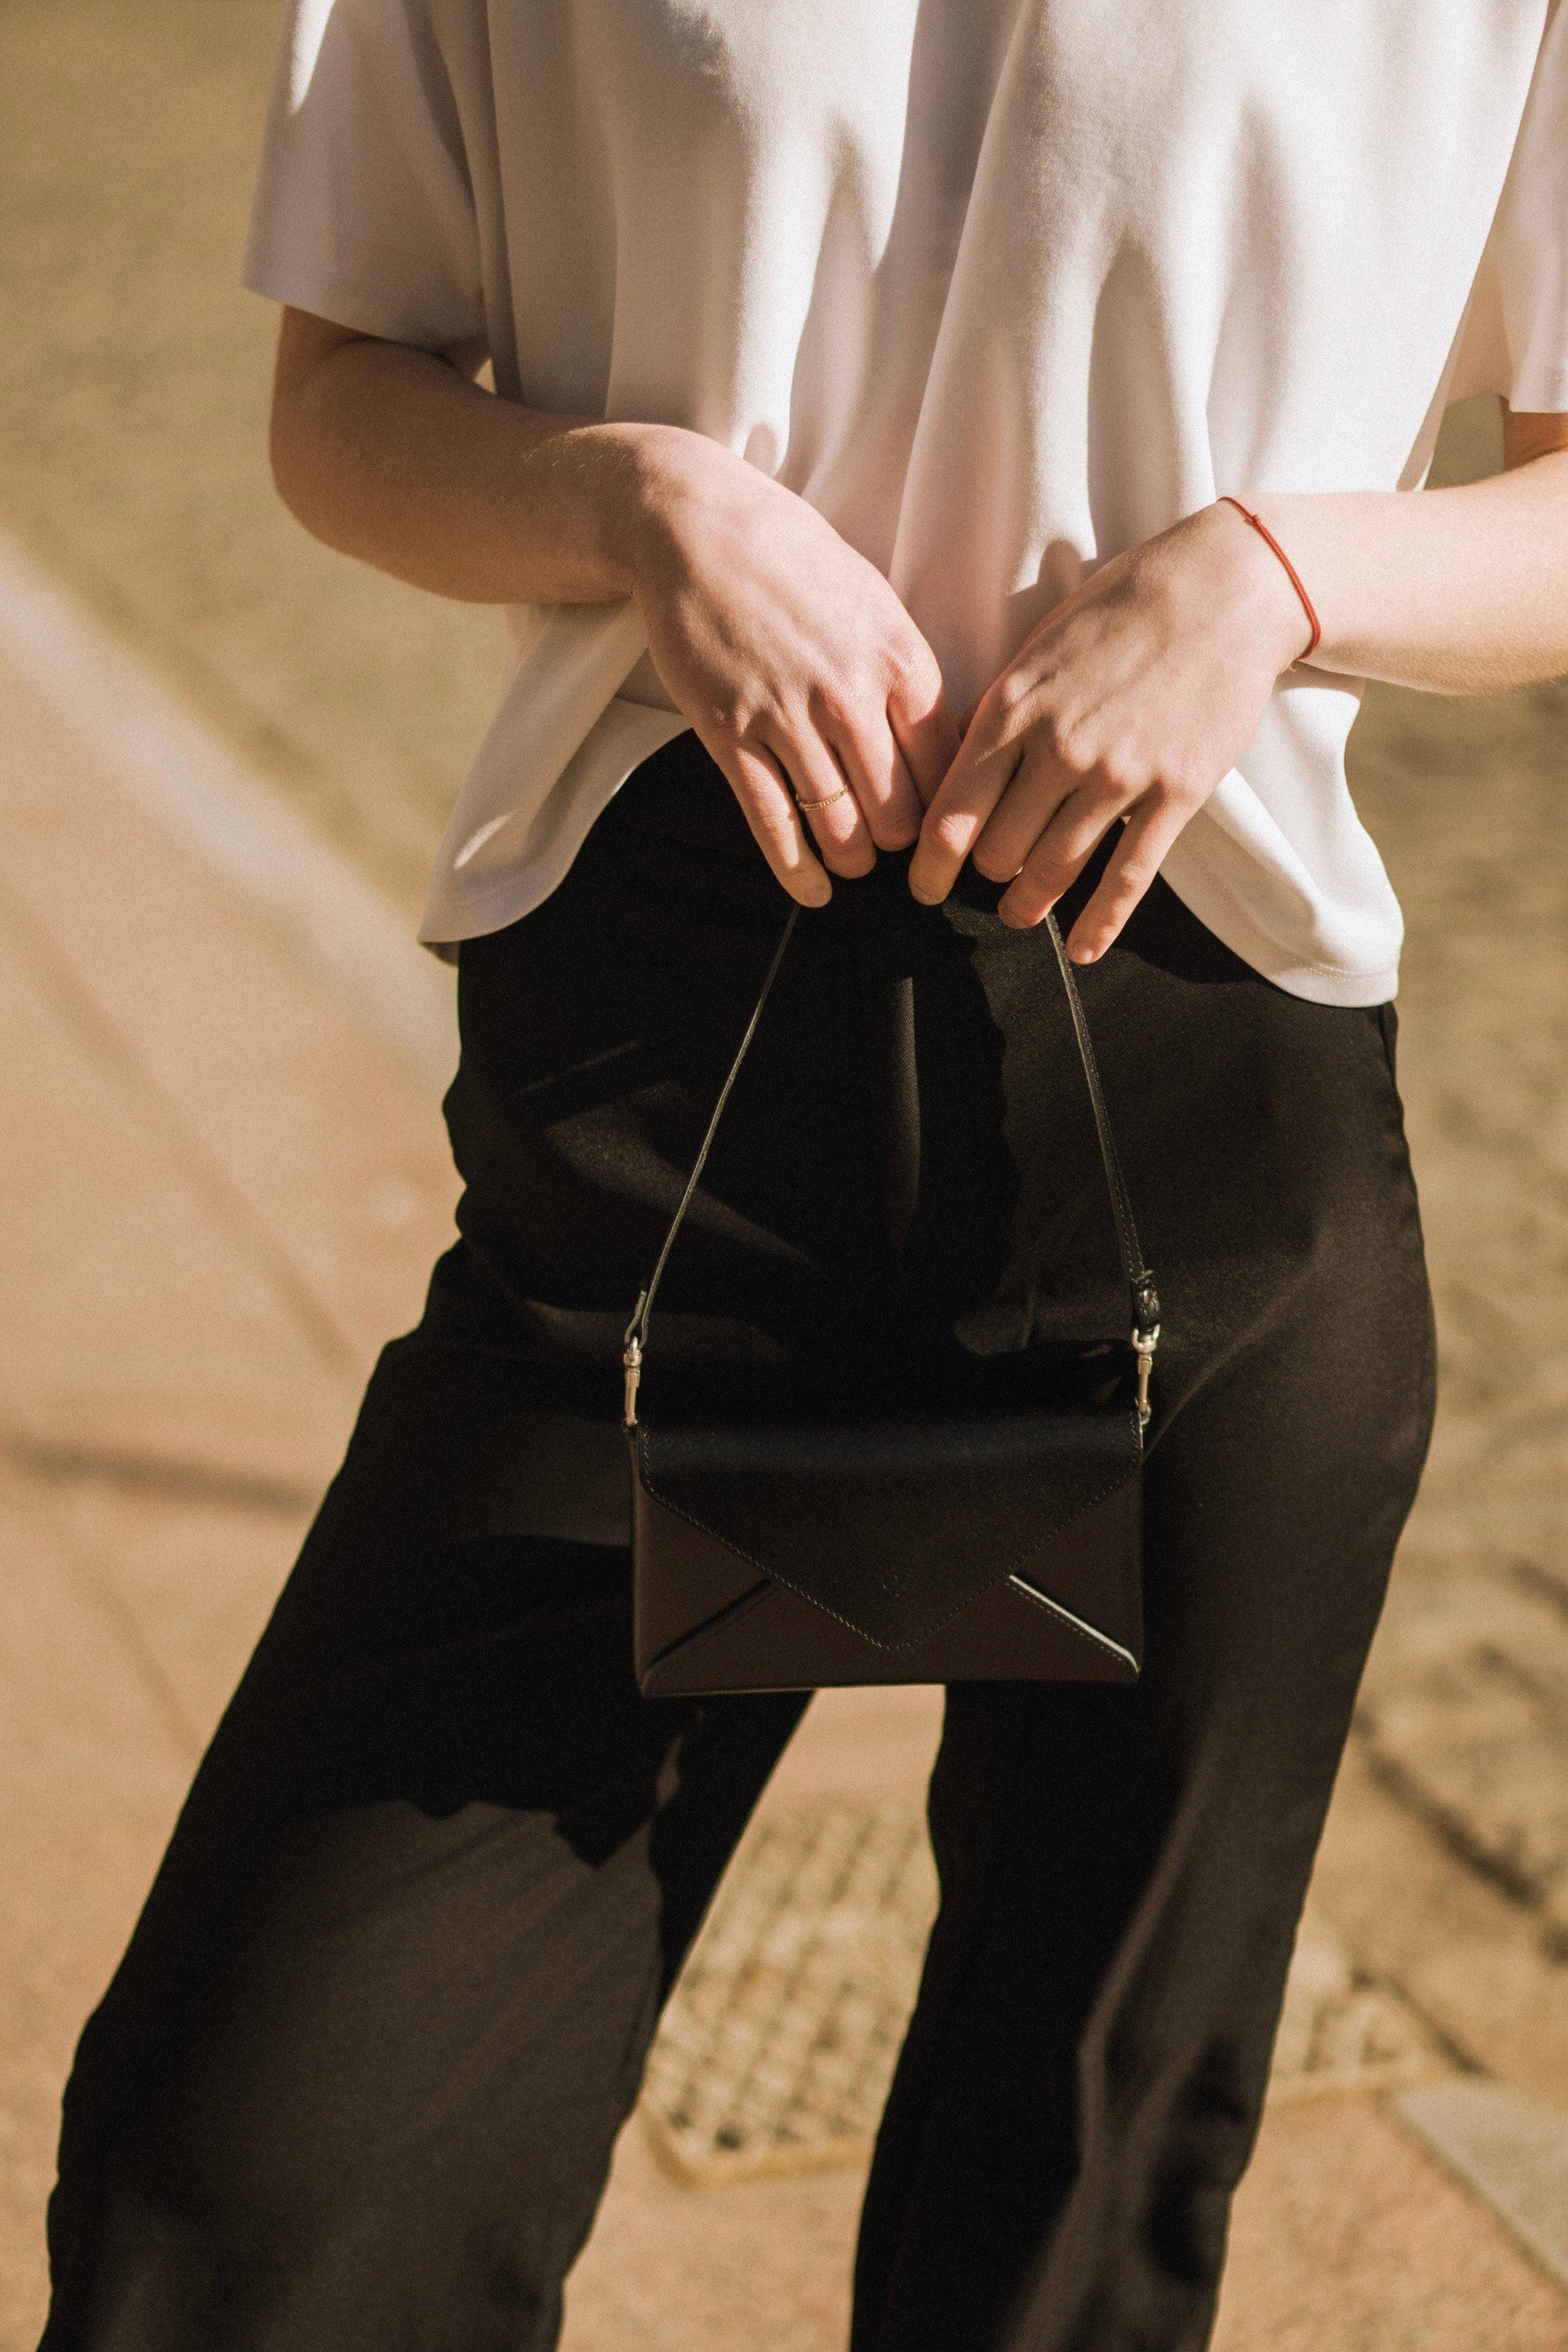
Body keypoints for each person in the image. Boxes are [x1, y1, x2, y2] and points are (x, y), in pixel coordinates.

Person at [38, 5, 1568, 2348]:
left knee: (1060, 2222)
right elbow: (341, 393)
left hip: (1204, 1159)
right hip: (651, 1152)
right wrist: (633, 500)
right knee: (258, 2184)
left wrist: (1269, 576)